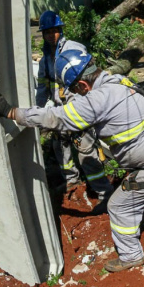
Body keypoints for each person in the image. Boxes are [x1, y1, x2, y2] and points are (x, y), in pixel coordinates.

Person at [0, 49, 144, 272]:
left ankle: (131, 255)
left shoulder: (95, 100)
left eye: (75, 91)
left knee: (119, 206)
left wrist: (13, 112)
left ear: (83, 84)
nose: (75, 95)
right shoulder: (118, 80)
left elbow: (56, 118)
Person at [35, 10, 112, 198]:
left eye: (54, 31)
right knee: (60, 147)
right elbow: (43, 85)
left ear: (60, 30)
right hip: (59, 108)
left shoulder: (73, 48)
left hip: (78, 106)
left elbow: (87, 78)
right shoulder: (46, 57)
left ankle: (102, 190)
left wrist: (85, 107)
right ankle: (72, 180)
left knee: (84, 147)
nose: (50, 35)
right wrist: (37, 109)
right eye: (46, 32)